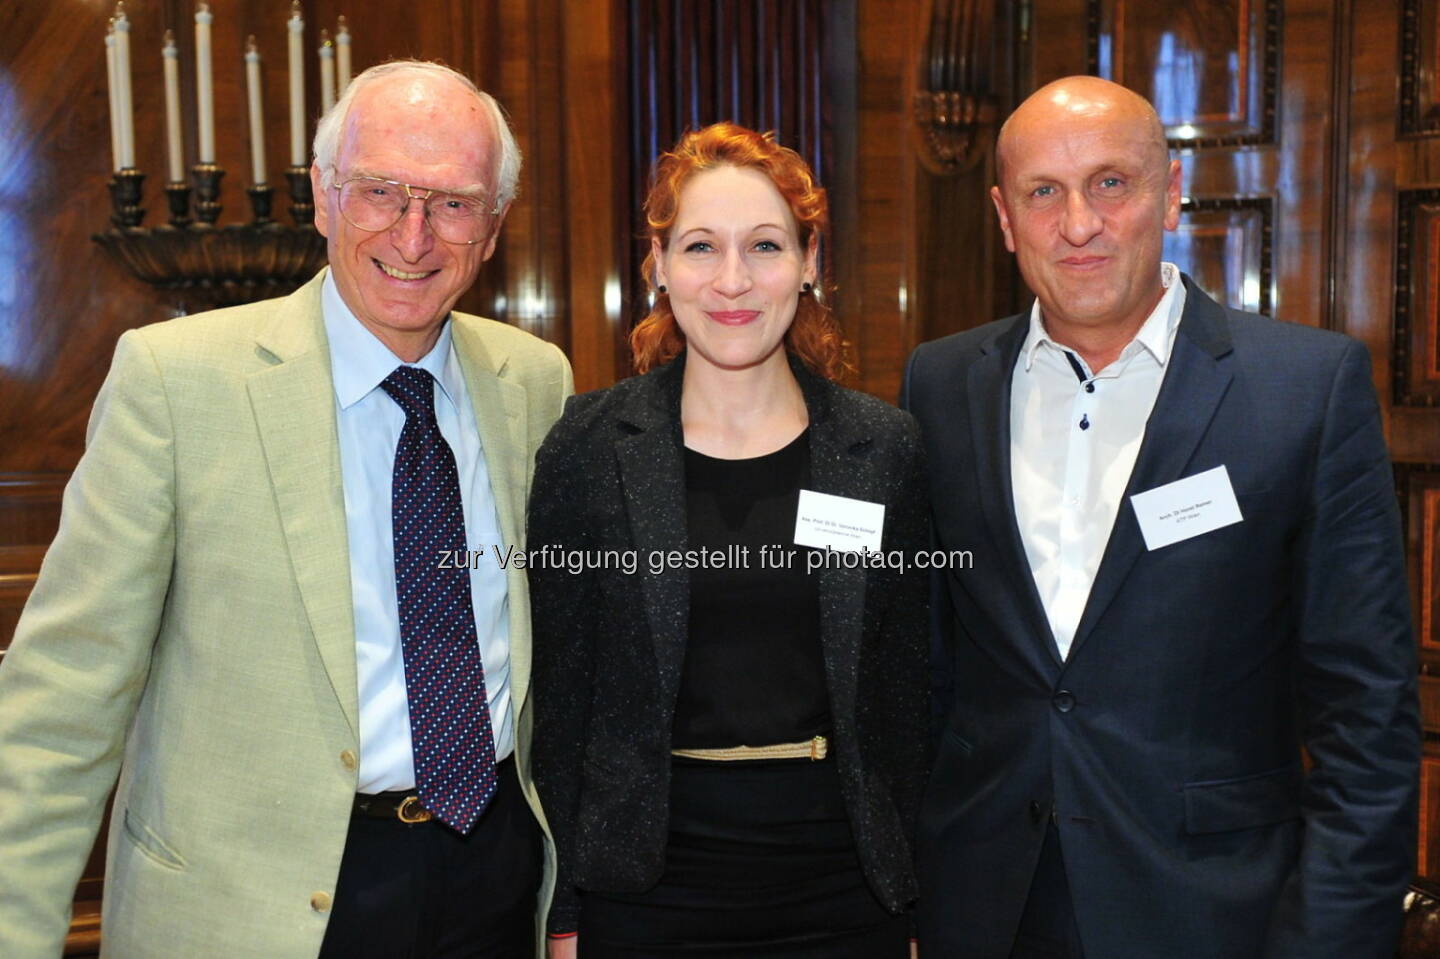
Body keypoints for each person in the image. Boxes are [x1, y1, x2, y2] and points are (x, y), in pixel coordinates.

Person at [0, 60, 572, 958]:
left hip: (490, 885)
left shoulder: (537, 382)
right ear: (322, 194)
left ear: (494, 227)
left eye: (454, 202)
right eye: (381, 190)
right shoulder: (176, 382)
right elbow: (62, 699)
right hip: (259, 907)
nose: (413, 235)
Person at [902, 75, 1420, 959]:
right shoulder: (940, 385)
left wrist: (1329, 939)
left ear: (1171, 191)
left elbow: (1365, 717)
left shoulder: (1305, 389)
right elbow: (925, 672)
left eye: (1111, 182)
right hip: (985, 912)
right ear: (1003, 217)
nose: (1078, 224)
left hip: (1212, 916)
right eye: (1043, 193)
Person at [529, 122, 928, 958]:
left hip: (842, 889)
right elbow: (563, 704)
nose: (734, 280)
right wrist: (564, 910)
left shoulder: (883, 449)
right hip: (645, 892)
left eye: (767, 246)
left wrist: (918, 902)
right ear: (659, 264)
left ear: (811, 261)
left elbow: (911, 699)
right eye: (702, 247)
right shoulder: (590, 447)